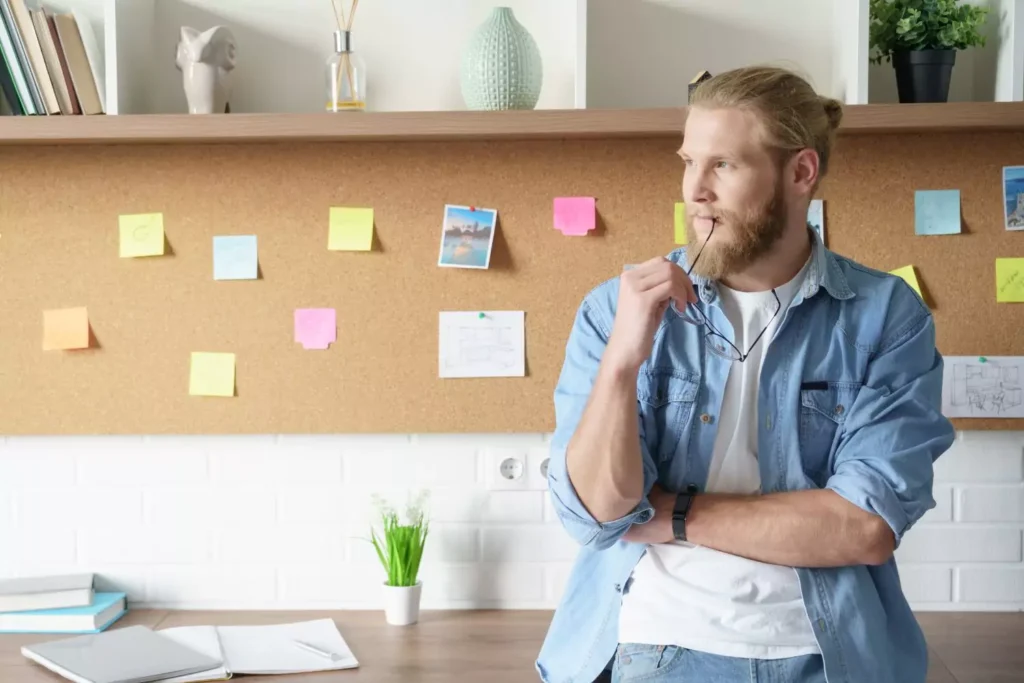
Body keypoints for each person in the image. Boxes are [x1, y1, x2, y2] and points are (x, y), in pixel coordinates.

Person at [535, 65, 956, 683]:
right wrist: (623, 361)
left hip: (829, 653)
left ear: (801, 172)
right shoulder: (614, 309)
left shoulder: (886, 316)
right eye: (687, 161)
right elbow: (599, 516)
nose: (694, 190)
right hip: (658, 645)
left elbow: (864, 527)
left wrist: (672, 515)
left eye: (723, 166)